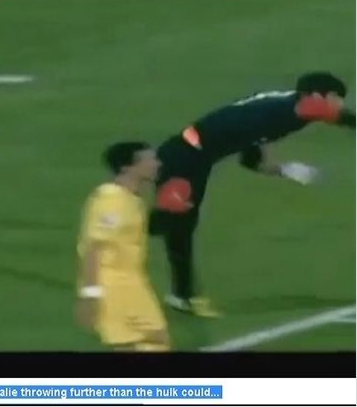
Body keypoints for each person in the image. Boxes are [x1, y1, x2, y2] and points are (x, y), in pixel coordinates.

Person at [149, 72, 355, 317]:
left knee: (174, 225)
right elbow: (252, 154)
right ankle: (179, 294)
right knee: (177, 226)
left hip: (195, 159)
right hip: (181, 158)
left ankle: (179, 293)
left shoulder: (286, 111)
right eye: (335, 98)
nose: (339, 104)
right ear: (317, 96)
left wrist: (286, 170)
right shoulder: (283, 112)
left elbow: (250, 159)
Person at [76, 141, 170, 351]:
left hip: (132, 282)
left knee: (151, 342)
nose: (157, 163)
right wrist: (90, 294)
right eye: (150, 159)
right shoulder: (112, 201)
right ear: (128, 167)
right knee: (146, 342)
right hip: (115, 285)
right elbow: (93, 248)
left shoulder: (132, 198)